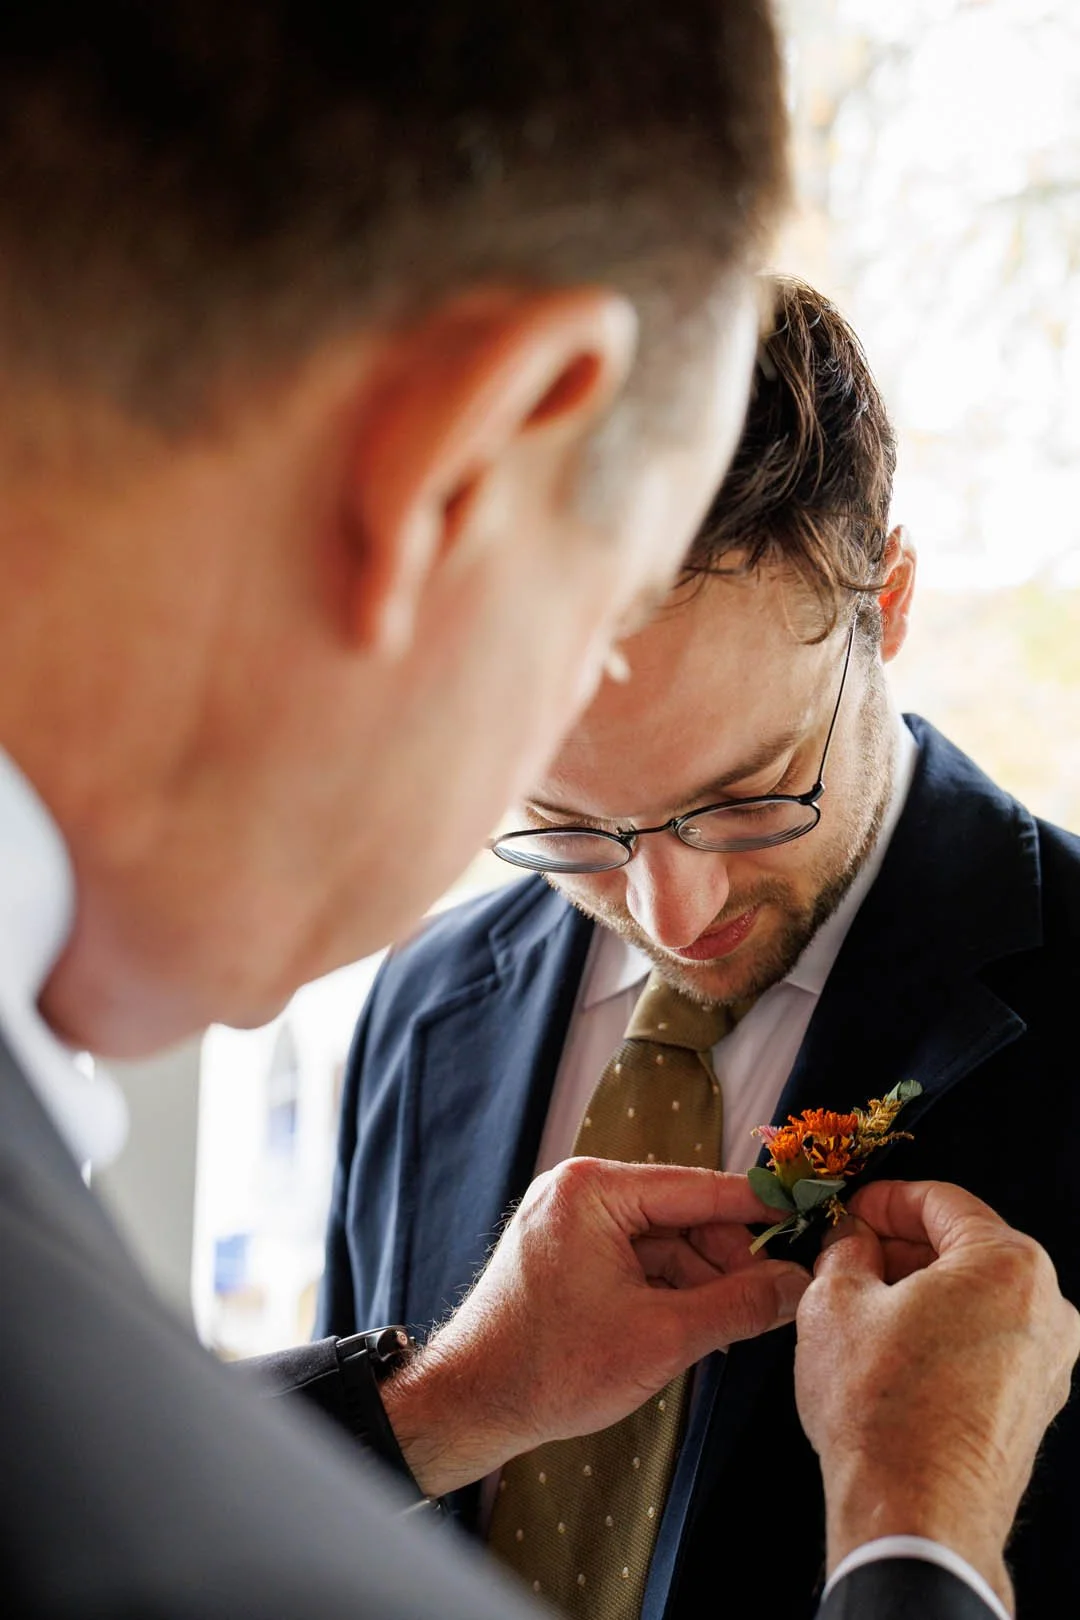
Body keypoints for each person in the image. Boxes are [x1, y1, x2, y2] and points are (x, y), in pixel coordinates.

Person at [318, 274, 1080, 1619]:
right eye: (567, 824)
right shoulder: (422, 1004)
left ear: (891, 599)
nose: (671, 914)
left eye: (748, 796)